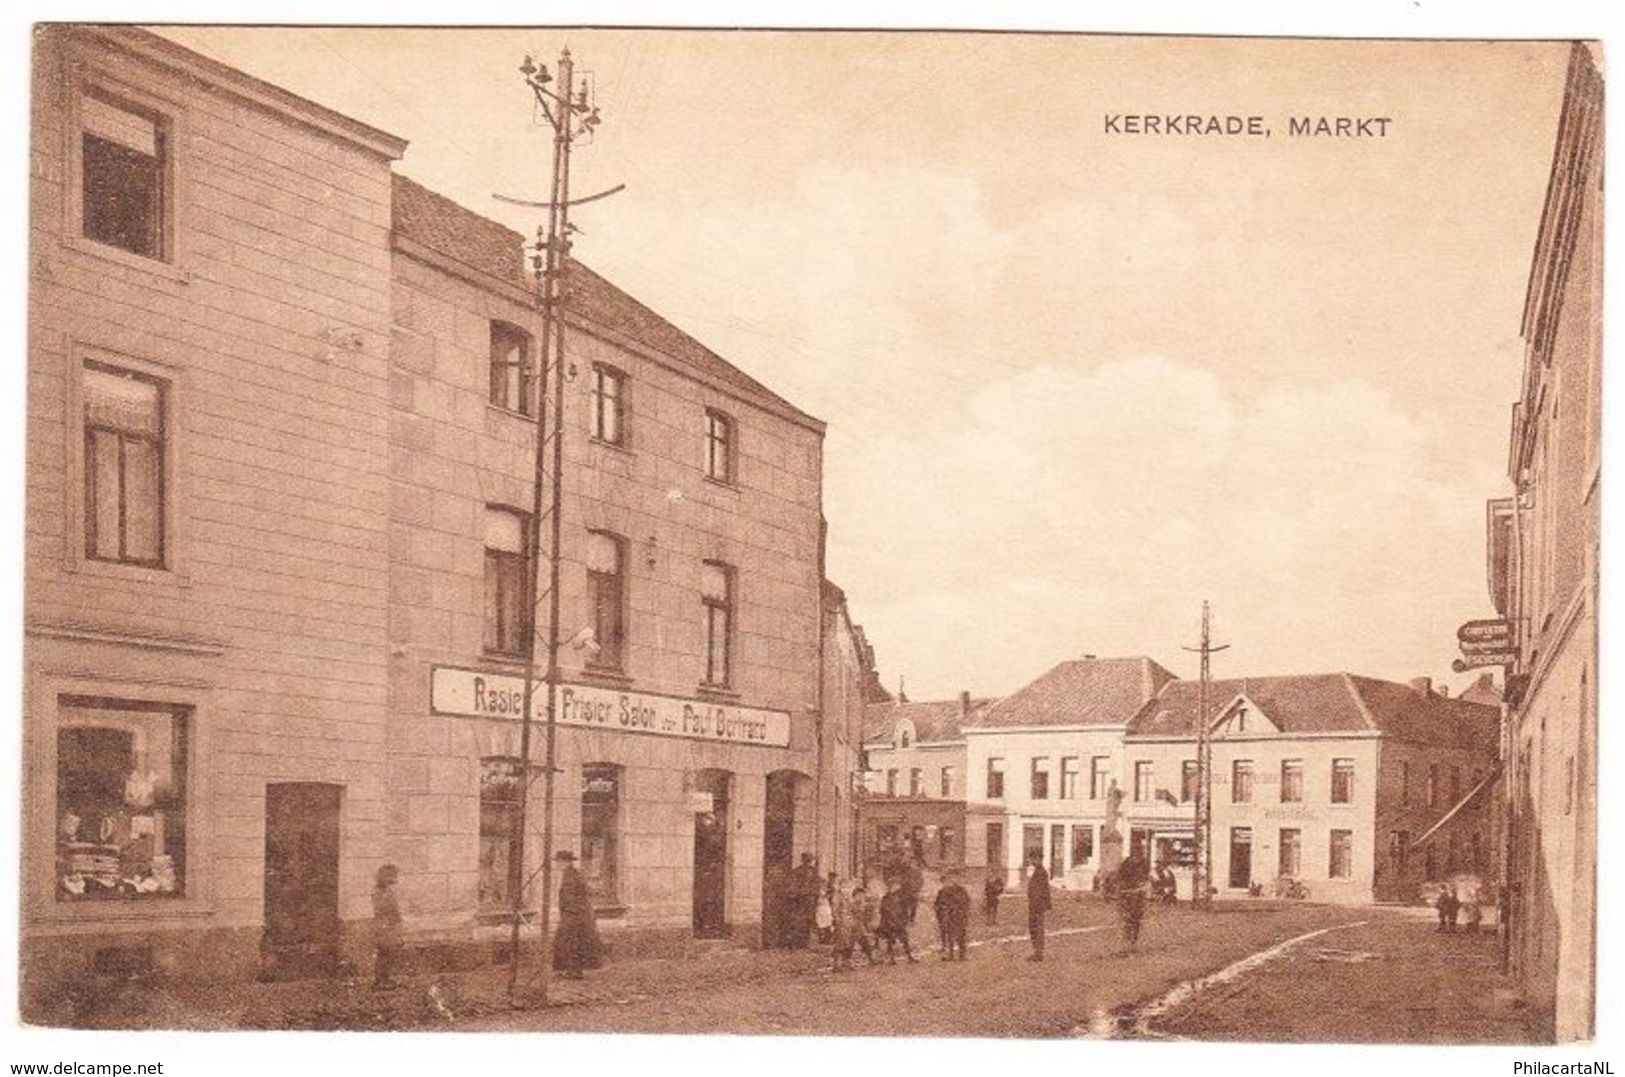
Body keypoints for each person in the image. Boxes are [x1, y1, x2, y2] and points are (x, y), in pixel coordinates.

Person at [553, 850, 603, 979]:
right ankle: (571, 970)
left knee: (572, 943)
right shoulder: (571, 874)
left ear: (566, 862)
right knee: (569, 942)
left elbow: (573, 898)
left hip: (575, 915)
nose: (557, 864)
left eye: (559, 862)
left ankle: (574, 972)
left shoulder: (572, 876)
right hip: (574, 914)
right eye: (557, 861)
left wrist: (570, 915)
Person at [371, 863, 404, 990]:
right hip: (384, 926)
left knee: (388, 954)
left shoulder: (386, 891)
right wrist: (393, 923)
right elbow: (384, 909)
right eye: (391, 876)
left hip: (388, 925)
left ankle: (384, 979)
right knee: (384, 953)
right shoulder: (380, 892)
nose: (395, 879)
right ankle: (380, 981)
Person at [1115, 843, 1151, 951]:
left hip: (1132, 892)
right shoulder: (1135, 862)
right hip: (1132, 892)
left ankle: (1130, 939)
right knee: (1132, 917)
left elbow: (1120, 875)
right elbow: (1121, 876)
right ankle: (1130, 939)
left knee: (1132, 917)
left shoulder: (1140, 862)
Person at [877, 879, 917, 964]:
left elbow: (906, 908)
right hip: (889, 922)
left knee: (905, 939)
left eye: (897, 885)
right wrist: (888, 920)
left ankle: (909, 957)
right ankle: (892, 959)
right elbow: (883, 911)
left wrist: (906, 919)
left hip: (899, 922)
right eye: (895, 885)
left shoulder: (901, 897)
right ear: (890, 887)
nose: (897, 887)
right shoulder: (886, 898)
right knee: (890, 941)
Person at [934, 874, 971, 961]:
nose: (955, 880)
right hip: (950, 915)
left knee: (962, 935)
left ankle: (962, 955)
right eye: (953, 879)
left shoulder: (962, 890)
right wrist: (943, 911)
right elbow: (939, 903)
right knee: (950, 935)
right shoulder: (944, 891)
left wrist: (963, 911)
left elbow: (967, 902)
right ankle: (951, 955)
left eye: (958, 878)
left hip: (960, 915)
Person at [789, 853, 821, 949]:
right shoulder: (796, 872)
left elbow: (817, 885)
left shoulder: (814, 871)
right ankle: (796, 943)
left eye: (809, 860)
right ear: (802, 860)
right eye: (806, 860)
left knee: (809, 920)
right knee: (798, 921)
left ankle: (806, 943)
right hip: (800, 899)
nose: (808, 862)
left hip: (810, 900)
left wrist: (815, 895)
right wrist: (796, 895)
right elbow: (793, 885)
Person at [1025, 853, 1051, 961]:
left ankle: (1038, 953)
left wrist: (1038, 904)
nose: (1031, 861)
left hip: (1037, 906)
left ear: (1039, 859)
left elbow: (1041, 891)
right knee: (1035, 928)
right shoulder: (1038, 871)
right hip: (1035, 905)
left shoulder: (1041, 873)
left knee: (1037, 928)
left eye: (1033, 858)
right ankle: (1037, 951)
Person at [849, 883, 879, 965]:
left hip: (861, 928)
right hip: (853, 927)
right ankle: (844, 962)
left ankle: (871, 959)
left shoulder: (865, 905)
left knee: (865, 944)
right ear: (854, 896)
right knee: (849, 945)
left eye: (862, 895)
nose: (860, 897)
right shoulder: (852, 905)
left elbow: (868, 916)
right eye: (858, 895)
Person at [901, 858, 925, 925]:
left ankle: (911, 919)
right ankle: (906, 918)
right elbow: (903, 880)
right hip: (906, 891)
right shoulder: (906, 871)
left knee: (914, 906)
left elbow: (921, 881)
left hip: (914, 891)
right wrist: (905, 887)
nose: (912, 864)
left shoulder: (917, 872)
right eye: (911, 863)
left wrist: (917, 888)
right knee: (905, 905)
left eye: (913, 863)